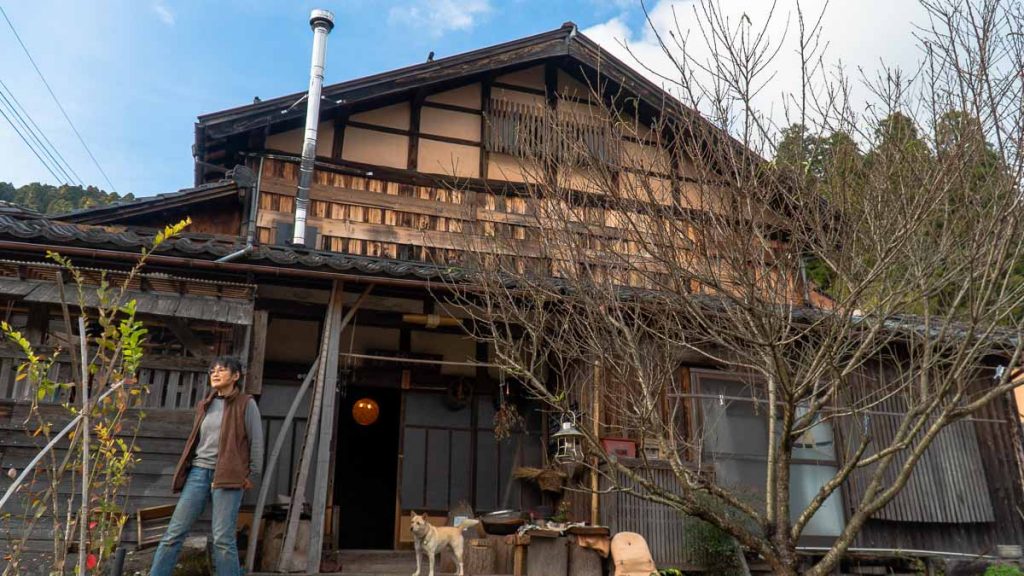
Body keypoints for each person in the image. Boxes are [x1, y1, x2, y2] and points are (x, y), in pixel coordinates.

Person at [150, 356, 264, 576]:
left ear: (236, 376)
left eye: (222, 370)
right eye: (212, 370)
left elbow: (256, 441)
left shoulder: (246, 403)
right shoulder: (205, 404)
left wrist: (252, 474)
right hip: (199, 473)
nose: (215, 373)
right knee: (174, 533)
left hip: (229, 476)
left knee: (223, 539)